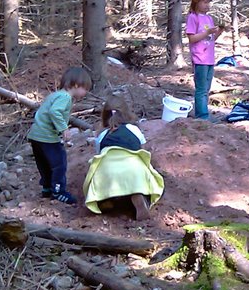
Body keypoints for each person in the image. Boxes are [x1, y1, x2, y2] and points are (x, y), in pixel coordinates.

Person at [84, 92, 164, 220]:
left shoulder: (102, 136)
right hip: (134, 171)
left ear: (105, 115)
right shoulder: (134, 130)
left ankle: (105, 199)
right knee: (145, 175)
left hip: (108, 175)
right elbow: (143, 151)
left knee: (101, 173)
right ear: (126, 113)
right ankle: (141, 196)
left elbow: (99, 156)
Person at [27, 66, 92, 204]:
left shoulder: (55, 95)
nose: (86, 92)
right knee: (59, 164)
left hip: (36, 135)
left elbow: (44, 111)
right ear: (76, 85)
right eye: (85, 88)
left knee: (44, 163)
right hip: (47, 137)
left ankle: (47, 188)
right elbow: (54, 111)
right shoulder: (65, 97)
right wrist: (63, 128)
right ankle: (58, 191)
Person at [186, 0, 222, 120]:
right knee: (201, 89)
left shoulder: (209, 18)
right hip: (200, 58)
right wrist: (206, 32)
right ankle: (202, 117)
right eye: (205, 2)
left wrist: (218, 32)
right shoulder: (193, 17)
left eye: (209, 2)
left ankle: (204, 113)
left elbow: (211, 39)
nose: (208, 5)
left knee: (206, 88)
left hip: (210, 58)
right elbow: (192, 38)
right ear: (196, 0)